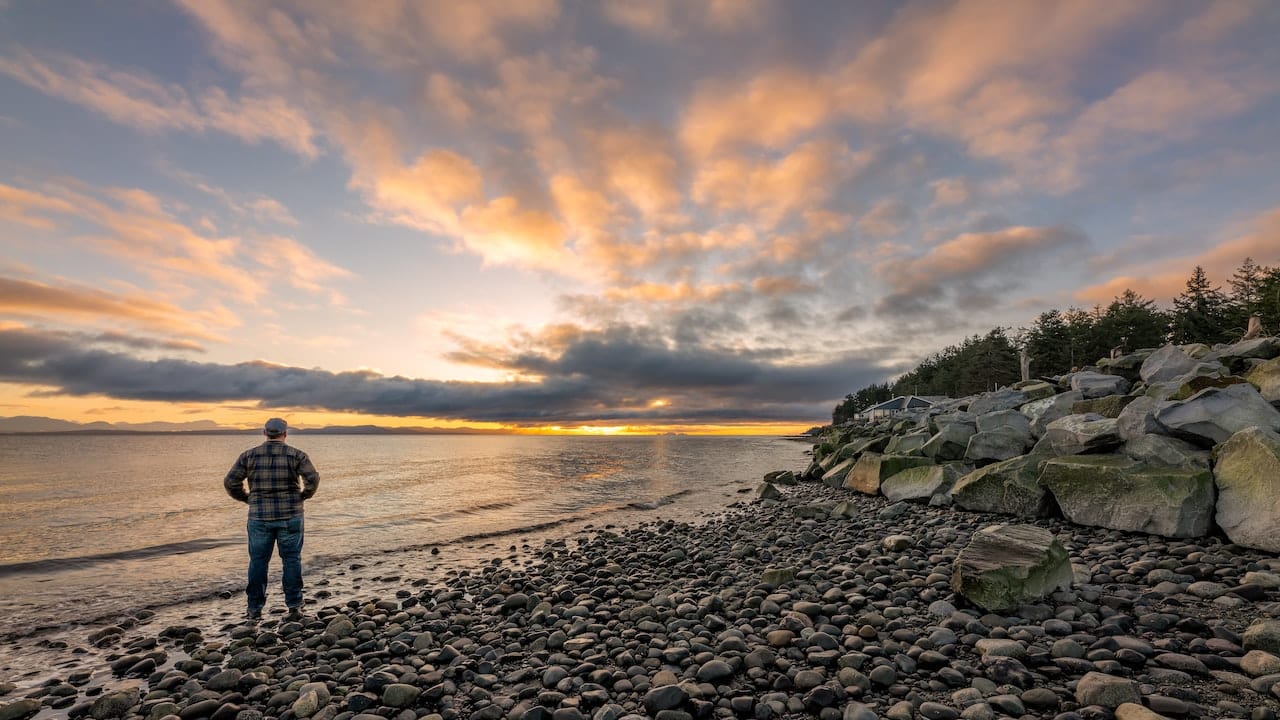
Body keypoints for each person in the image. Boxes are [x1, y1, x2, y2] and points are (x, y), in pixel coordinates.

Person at [223, 418, 320, 622]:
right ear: (285, 433)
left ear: (264, 432)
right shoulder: (296, 455)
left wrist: (247, 498)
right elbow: (312, 479)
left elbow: (231, 482)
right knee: (291, 560)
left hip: (259, 516)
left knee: (258, 561)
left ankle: (254, 609)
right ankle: (294, 606)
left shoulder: (249, 456)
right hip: (290, 515)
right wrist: (303, 495)